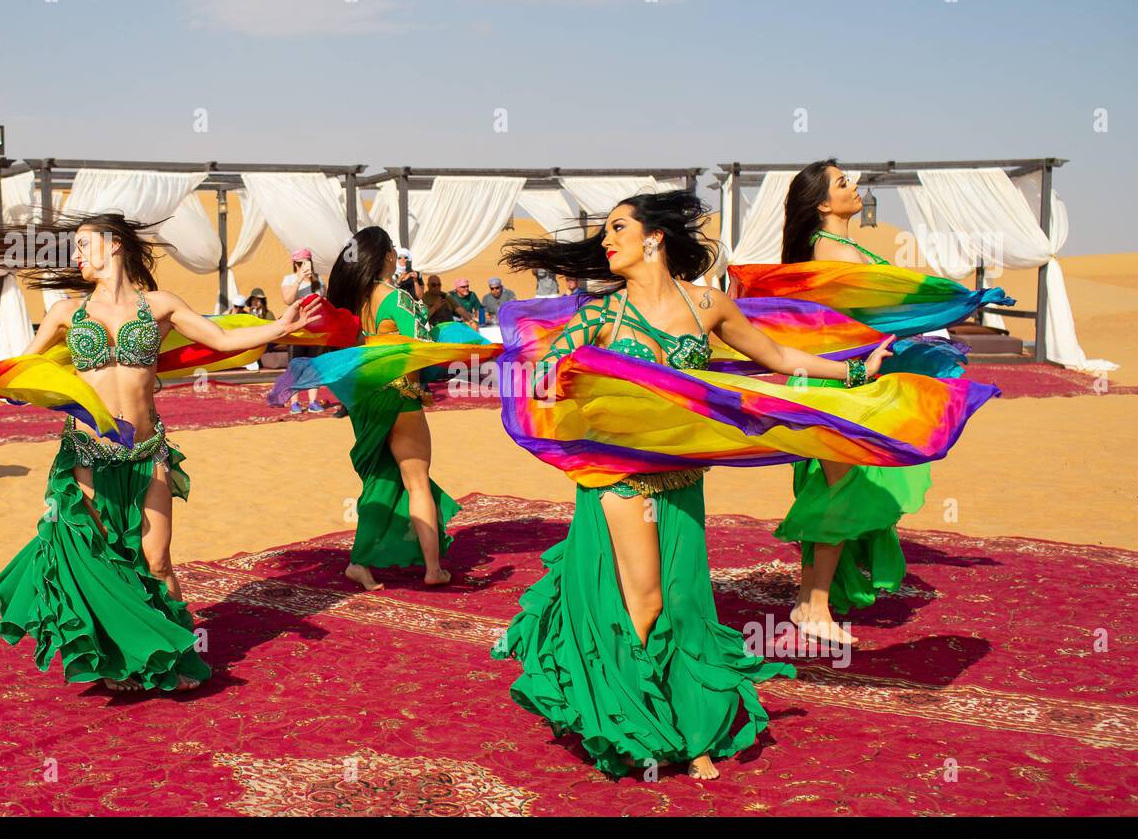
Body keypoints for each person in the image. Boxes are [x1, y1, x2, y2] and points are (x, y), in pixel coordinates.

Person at [492, 190, 906, 781]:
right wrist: (555, 377)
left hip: (684, 480)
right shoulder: (600, 316)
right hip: (622, 478)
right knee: (647, 600)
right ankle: (634, 724)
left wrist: (858, 370)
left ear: (654, 239)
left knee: (685, 606)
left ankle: (688, 731)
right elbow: (538, 376)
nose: (606, 241)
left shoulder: (708, 305)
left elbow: (779, 356)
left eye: (617, 228)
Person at [0, 211, 322, 693]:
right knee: (101, 555)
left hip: (146, 450)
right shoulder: (66, 313)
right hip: (88, 451)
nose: (76, 256)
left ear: (113, 245)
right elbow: (23, 367)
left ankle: (175, 654)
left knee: (157, 556)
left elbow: (223, 339)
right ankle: (119, 661)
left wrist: (279, 329)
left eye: (84, 246)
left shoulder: (161, 305)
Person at [770, 160, 965, 644]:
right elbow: (842, 323)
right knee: (847, 490)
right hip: (838, 384)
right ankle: (812, 608)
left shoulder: (839, 246)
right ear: (821, 203)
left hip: (847, 380)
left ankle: (809, 601)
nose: (853, 187)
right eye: (842, 183)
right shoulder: (832, 249)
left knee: (840, 486)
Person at [323, 227, 457, 591]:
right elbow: (424, 343)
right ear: (385, 258)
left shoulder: (351, 302)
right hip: (399, 396)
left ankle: (359, 562)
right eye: (394, 252)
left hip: (364, 400)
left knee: (380, 478)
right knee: (416, 482)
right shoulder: (396, 299)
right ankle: (433, 568)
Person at [281, 249, 325, 414]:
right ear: (295, 264)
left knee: (314, 366)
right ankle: (295, 402)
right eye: (301, 263)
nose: (305, 265)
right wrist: (299, 279)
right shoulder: (289, 279)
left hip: (315, 330)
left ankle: (313, 401)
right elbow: (287, 300)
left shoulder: (318, 280)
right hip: (297, 330)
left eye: (307, 262)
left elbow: (323, 301)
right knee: (296, 366)